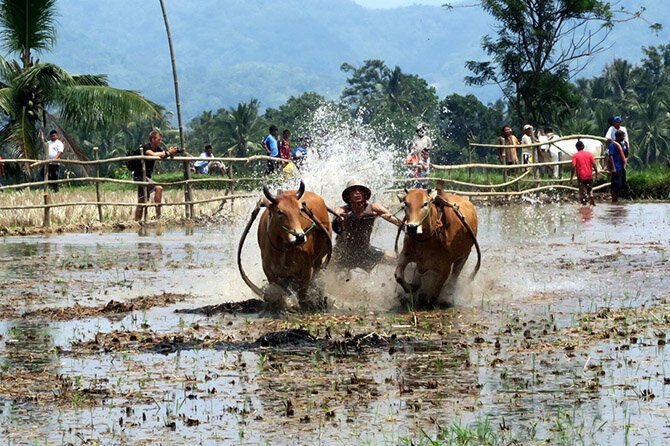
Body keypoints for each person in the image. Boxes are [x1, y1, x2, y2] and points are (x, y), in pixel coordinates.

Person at [332, 179, 403, 271]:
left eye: (360, 190)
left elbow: (394, 219)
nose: (357, 193)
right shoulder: (343, 210)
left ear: (365, 194)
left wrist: (407, 228)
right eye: (353, 191)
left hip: (365, 251)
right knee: (320, 264)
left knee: (400, 260)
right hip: (342, 253)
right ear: (348, 196)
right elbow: (335, 216)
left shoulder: (374, 208)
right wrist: (338, 219)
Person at [134, 130, 178, 221]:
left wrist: (171, 153)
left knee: (142, 200)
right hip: (140, 176)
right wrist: (167, 153)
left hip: (146, 177)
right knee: (159, 188)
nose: (160, 141)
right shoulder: (146, 147)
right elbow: (153, 154)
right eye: (159, 139)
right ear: (153, 139)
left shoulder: (158, 149)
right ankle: (158, 216)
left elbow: (164, 155)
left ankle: (136, 221)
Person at [570, 140, 599, 206]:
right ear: (583, 147)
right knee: (590, 189)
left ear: (576, 147)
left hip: (581, 176)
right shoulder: (589, 154)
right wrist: (596, 173)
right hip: (589, 175)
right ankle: (591, 196)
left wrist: (571, 177)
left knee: (582, 191)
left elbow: (573, 166)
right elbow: (594, 164)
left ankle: (584, 205)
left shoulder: (575, 156)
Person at [606, 129, 628, 203]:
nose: (624, 138)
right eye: (623, 136)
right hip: (616, 167)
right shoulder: (613, 145)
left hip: (621, 168)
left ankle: (616, 201)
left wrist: (627, 146)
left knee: (620, 185)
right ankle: (614, 200)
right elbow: (611, 156)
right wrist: (613, 167)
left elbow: (626, 155)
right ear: (619, 136)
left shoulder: (622, 145)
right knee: (615, 185)